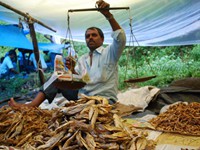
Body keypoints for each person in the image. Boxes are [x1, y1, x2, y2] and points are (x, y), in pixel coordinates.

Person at [8, 0, 126, 108]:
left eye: (94, 35)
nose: (90, 38)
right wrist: (72, 70)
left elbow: (120, 37)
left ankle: (32, 105)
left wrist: (108, 15)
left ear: (102, 39)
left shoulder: (110, 53)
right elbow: (81, 80)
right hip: (83, 97)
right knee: (56, 77)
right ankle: (32, 105)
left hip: (104, 100)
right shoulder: (83, 59)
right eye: (87, 36)